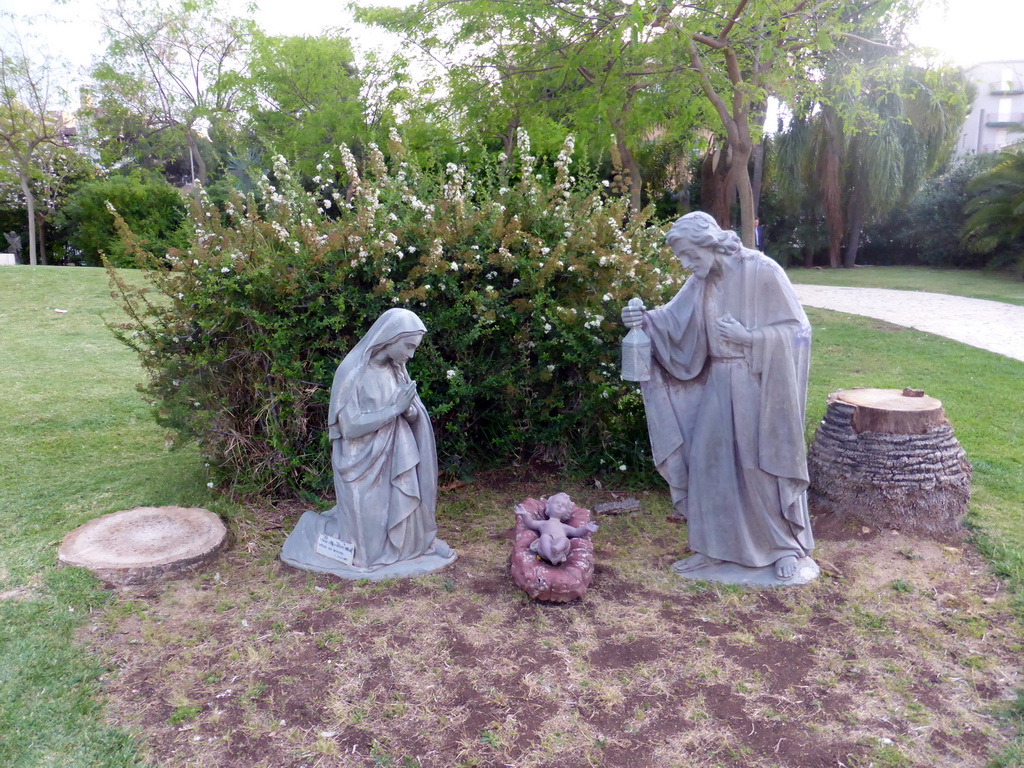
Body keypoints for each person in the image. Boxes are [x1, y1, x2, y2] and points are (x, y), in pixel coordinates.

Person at [621, 212, 814, 581]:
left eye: (689, 254)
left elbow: (798, 331)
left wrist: (751, 338)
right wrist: (641, 319)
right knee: (708, 465)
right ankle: (712, 549)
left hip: (757, 385)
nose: (685, 264)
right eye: (681, 257)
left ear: (708, 244)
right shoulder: (702, 279)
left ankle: (782, 548)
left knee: (759, 468)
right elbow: (669, 322)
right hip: (718, 383)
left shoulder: (762, 270)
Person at [281, 308, 455, 578]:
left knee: (404, 503)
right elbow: (349, 427)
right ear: (390, 338)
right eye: (408, 346)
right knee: (366, 553)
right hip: (359, 462)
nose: (410, 354)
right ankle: (313, 531)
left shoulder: (398, 370)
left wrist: (409, 410)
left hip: (397, 455)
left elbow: (409, 411)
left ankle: (418, 547)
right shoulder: (353, 371)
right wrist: (395, 409)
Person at [514, 492, 597, 565]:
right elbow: (531, 523)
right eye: (557, 503)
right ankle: (551, 556)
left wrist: (586, 528)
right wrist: (524, 514)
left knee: (564, 540)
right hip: (545, 550)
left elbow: (576, 532)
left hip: (561, 551)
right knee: (544, 537)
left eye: (563, 505)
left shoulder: (564, 527)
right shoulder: (544, 523)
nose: (559, 505)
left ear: (566, 512)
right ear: (548, 506)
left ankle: (556, 549)